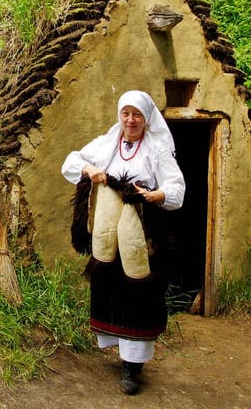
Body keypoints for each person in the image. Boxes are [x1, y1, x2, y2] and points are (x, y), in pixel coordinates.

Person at [61, 90, 185, 395]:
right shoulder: (108, 142)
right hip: (109, 229)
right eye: (126, 113)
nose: (130, 120)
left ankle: (133, 367)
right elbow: (71, 162)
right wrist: (90, 170)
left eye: (137, 115)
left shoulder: (156, 149)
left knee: (139, 293)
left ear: (146, 119)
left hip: (141, 230)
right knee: (112, 288)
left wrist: (157, 195)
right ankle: (119, 351)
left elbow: (177, 187)